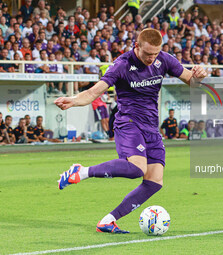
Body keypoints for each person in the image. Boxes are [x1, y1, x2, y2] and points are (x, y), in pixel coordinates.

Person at [54, 28, 207, 233]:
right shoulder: (122, 65)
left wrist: (199, 76)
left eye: (155, 54)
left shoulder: (165, 59)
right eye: (147, 54)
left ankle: (108, 221)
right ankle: (81, 172)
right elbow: (93, 92)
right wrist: (72, 101)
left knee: (154, 181)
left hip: (151, 126)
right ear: (137, 46)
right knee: (136, 168)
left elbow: (192, 82)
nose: (152, 58)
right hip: (128, 122)